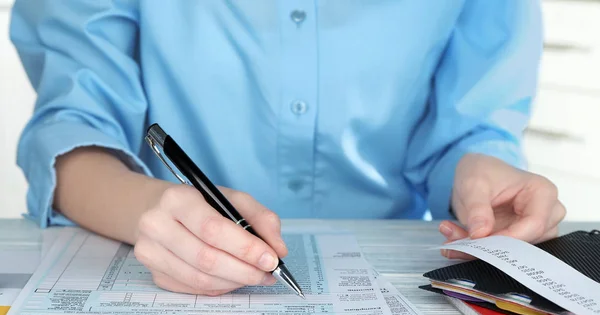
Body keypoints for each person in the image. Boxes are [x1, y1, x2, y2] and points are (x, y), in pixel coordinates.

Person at [9, 1, 565, 296]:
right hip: (148, 269)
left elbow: (466, 127)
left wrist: (479, 168)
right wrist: (143, 209)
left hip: (393, 271)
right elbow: (73, 130)